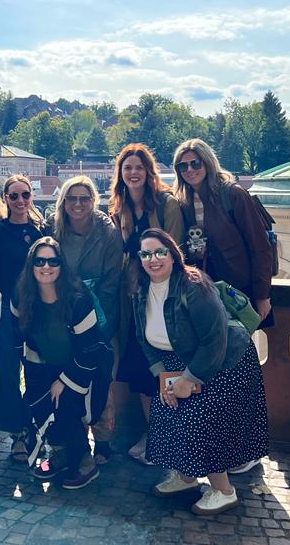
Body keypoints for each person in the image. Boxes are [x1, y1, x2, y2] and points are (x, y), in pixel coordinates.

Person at [132, 228, 269, 515]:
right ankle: (186, 477)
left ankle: (223, 490)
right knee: (169, 416)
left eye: (159, 252)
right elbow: (144, 339)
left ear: (173, 255)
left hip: (223, 362)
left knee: (201, 422)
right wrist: (162, 376)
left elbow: (214, 339)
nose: (152, 259)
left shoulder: (193, 286)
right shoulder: (141, 291)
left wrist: (189, 380)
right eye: (145, 254)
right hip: (176, 361)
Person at [13, 236, 110, 490]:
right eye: (40, 261)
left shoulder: (78, 301)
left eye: (53, 261)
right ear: (31, 264)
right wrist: (38, 380)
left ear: (61, 265)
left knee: (66, 404)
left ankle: (85, 462)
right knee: (36, 402)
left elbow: (91, 349)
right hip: (43, 364)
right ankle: (59, 454)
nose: (46, 266)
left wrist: (63, 381)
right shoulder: (21, 297)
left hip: (86, 366)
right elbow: (21, 338)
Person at [108, 143, 182, 465]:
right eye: (127, 168)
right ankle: (154, 433)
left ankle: (168, 437)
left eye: (138, 167)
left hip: (164, 296)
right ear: (120, 175)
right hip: (134, 300)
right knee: (141, 366)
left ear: (148, 171)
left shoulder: (166, 204)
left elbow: (177, 252)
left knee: (167, 365)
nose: (133, 173)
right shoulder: (120, 208)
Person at [45, 175, 122, 464]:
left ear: (93, 201)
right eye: (72, 198)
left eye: (84, 198)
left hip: (99, 311)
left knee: (101, 379)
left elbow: (112, 282)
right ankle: (69, 439)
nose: (77, 204)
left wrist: (99, 325)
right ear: (63, 201)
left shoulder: (108, 233)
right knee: (66, 378)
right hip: (61, 314)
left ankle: (103, 442)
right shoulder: (52, 227)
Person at [172, 138, 273, 326]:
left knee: (240, 346)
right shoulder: (182, 202)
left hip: (237, 288)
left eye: (195, 163)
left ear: (208, 162)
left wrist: (262, 294)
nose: (190, 170)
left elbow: (260, 247)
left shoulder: (232, 194)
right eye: (182, 166)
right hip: (204, 289)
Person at [0, 174, 43, 462]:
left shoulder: (41, 232)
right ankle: (17, 435)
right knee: (9, 373)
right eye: (14, 195)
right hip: (7, 309)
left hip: (37, 310)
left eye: (25, 195)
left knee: (36, 372)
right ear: (5, 199)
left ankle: (35, 426)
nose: (20, 201)